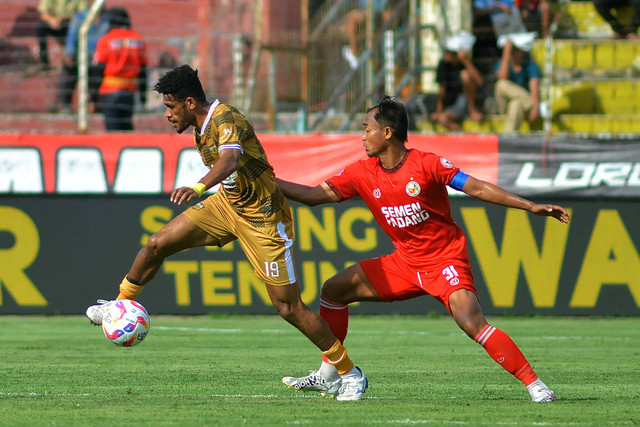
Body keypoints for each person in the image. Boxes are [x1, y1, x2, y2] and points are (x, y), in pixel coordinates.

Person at [84, 64, 368, 401]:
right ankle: (120, 304)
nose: (168, 115)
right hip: (228, 206)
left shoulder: (225, 119)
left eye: (170, 106)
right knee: (157, 243)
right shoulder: (198, 125)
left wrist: (199, 185)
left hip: (264, 218)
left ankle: (350, 374)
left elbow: (230, 160)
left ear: (190, 102)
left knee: (289, 308)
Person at [278, 96, 569, 403]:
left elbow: (478, 187)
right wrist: (268, 181)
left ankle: (535, 385)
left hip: (446, 260)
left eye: (367, 128)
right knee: (333, 291)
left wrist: (531, 205)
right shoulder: (360, 172)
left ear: (387, 132)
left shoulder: (427, 164)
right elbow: (311, 195)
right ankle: (329, 375)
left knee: (472, 322)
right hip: (403, 263)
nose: (362, 136)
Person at [92, 7, 147, 131]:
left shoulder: (106, 40)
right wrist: (143, 96)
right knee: (127, 127)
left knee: (113, 129)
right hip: (130, 91)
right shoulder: (137, 40)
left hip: (110, 90)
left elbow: (97, 70)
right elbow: (143, 70)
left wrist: (94, 97)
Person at [58, 4, 110, 113]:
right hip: (80, 55)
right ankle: (66, 105)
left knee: (98, 73)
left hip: (99, 57)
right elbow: (72, 36)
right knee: (68, 71)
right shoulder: (80, 17)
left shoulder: (107, 19)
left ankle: (95, 103)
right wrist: (70, 53)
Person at [430, 31, 484, 131]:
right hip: (454, 104)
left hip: (466, 100)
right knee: (443, 118)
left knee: (465, 75)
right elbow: (442, 89)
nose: (447, 56)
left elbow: (479, 81)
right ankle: (464, 135)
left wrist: (465, 61)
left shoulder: (466, 63)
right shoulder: (443, 65)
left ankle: (473, 110)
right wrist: (439, 111)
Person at [494, 32, 541, 133]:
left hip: (522, 106)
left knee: (515, 104)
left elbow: (534, 88)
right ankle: (529, 101)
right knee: (501, 84)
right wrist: (506, 52)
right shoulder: (501, 64)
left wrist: (536, 107)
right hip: (504, 106)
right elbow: (502, 77)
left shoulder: (531, 66)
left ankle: (506, 139)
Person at [33, 0, 88, 72]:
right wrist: (52, 20)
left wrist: (62, 18)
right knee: (41, 27)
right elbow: (43, 13)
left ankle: (72, 58)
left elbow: (82, 14)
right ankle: (44, 62)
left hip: (71, 23)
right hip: (54, 22)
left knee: (74, 28)